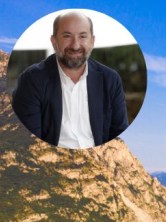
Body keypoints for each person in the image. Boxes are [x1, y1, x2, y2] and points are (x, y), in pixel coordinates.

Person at [12, 12, 128, 149]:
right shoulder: (32, 80)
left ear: (92, 41)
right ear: (54, 41)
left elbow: (119, 133)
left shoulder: (110, 79)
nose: (75, 45)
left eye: (83, 36)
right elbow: (30, 141)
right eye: (67, 36)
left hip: (99, 158)